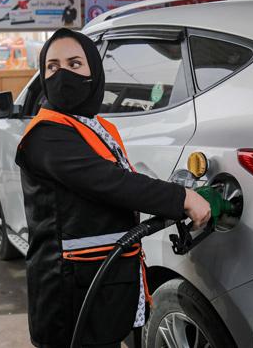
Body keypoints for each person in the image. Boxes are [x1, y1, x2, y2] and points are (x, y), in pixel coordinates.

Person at [15, 28, 212, 348]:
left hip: (103, 279)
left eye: (75, 63)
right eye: (52, 66)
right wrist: (181, 198)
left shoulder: (95, 127)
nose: (62, 73)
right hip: (68, 292)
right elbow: (109, 182)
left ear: (95, 71)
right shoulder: (45, 136)